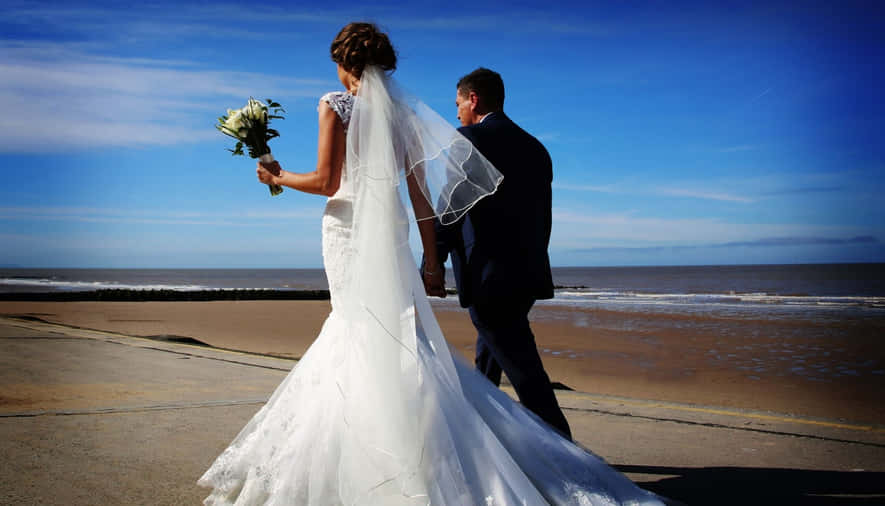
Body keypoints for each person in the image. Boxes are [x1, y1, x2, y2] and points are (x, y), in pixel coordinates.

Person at [198, 22, 666, 506]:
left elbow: (326, 181)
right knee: (401, 338)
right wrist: (431, 263)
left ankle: (375, 456)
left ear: (344, 64)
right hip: (399, 234)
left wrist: (275, 174)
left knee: (356, 330)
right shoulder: (404, 115)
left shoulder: (332, 105)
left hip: (347, 229)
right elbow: (422, 197)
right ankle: (459, 446)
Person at [432, 67, 571, 440]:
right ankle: (488, 441)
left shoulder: (470, 138)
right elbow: (543, 217)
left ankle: (567, 453)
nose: (457, 111)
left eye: (458, 103)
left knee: (526, 373)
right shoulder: (536, 148)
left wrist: (435, 258)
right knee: (488, 363)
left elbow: (453, 203)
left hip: (489, 276)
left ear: (473, 99)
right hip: (527, 274)